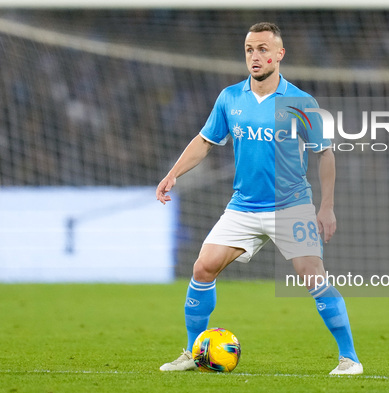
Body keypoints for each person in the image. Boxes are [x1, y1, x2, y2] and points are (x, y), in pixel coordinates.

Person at [155, 22, 362, 375]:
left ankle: (349, 358)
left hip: (292, 205)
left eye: (264, 49)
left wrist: (325, 207)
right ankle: (192, 352)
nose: (256, 56)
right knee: (202, 268)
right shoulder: (230, 98)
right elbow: (205, 141)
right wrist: (174, 173)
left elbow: (324, 154)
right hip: (244, 206)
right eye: (250, 49)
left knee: (313, 276)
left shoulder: (300, 102)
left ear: (279, 54)